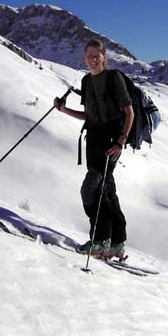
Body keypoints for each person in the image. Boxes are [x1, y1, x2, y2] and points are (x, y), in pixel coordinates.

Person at [54, 38, 134, 258]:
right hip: (94, 142)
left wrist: (120, 141)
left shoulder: (113, 78)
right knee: (107, 191)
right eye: (88, 56)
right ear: (84, 57)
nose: (92, 60)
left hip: (111, 143)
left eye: (96, 56)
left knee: (90, 188)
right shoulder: (86, 81)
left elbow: (129, 113)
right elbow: (89, 116)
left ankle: (100, 241)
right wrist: (64, 110)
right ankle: (117, 242)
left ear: (104, 57)